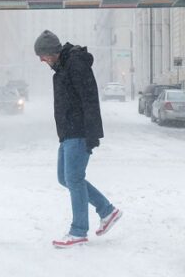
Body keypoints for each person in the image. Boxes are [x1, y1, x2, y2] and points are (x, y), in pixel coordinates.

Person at [34, 29, 122, 248]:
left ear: (51, 52)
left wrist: (91, 134)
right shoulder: (63, 66)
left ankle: (78, 231)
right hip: (68, 133)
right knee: (65, 178)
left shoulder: (75, 64)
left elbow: (89, 98)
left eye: (42, 55)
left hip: (79, 131)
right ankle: (107, 211)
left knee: (73, 178)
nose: (41, 60)